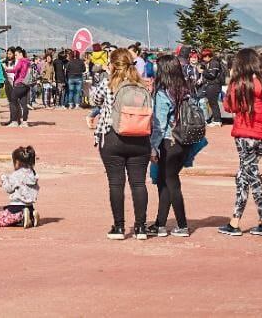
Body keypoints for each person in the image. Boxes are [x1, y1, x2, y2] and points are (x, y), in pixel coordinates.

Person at [219, 48, 262, 237]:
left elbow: (229, 106)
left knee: (251, 174)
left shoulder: (240, 83)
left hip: (245, 132)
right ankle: (235, 220)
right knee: (244, 173)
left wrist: (231, 82)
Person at [91, 48, 152, 240]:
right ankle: (141, 227)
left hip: (112, 137)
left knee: (116, 183)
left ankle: (119, 227)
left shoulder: (108, 84)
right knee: (139, 184)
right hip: (141, 139)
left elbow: (94, 99)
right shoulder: (142, 85)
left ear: (113, 65)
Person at [148, 53, 193, 237]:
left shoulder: (162, 93)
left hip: (168, 141)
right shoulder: (185, 89)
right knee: (165, 182)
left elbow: (159, 125)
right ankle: (160, 223)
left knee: (171, 183)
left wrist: (153, 146)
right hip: (184, 140)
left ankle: (182, 225)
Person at [0, 146, 39, 227]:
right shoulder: (32, 174)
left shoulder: (16, 175)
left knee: (1, 220)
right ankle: (31, 215)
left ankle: (21, 216)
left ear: (17, 162)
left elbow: (9, 189)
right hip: (29, 205)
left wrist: (4, 180)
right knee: (27, 212)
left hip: (16, 205)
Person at [4, 46, 32, 127]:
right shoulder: (28, 62)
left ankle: (14, 121)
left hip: (19, 83)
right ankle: (24, 121)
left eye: (16, 55)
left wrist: (7, 69)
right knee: (24, 103)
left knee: (12, 100)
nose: (15, 57)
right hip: (26, 85)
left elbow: (16, 69)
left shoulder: (21, 61)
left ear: (20, 54)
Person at [201, 49, 226, 125]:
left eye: (204, 57)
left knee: (213, 103)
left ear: (208, 56)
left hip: (214, 85)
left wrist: (203, 72)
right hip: (212, 85)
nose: (203, 58)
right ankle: (216, 119)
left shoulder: (214, 63)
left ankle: (217, 120)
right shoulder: (210, 63)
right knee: (212, 103)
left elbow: (212, 75)